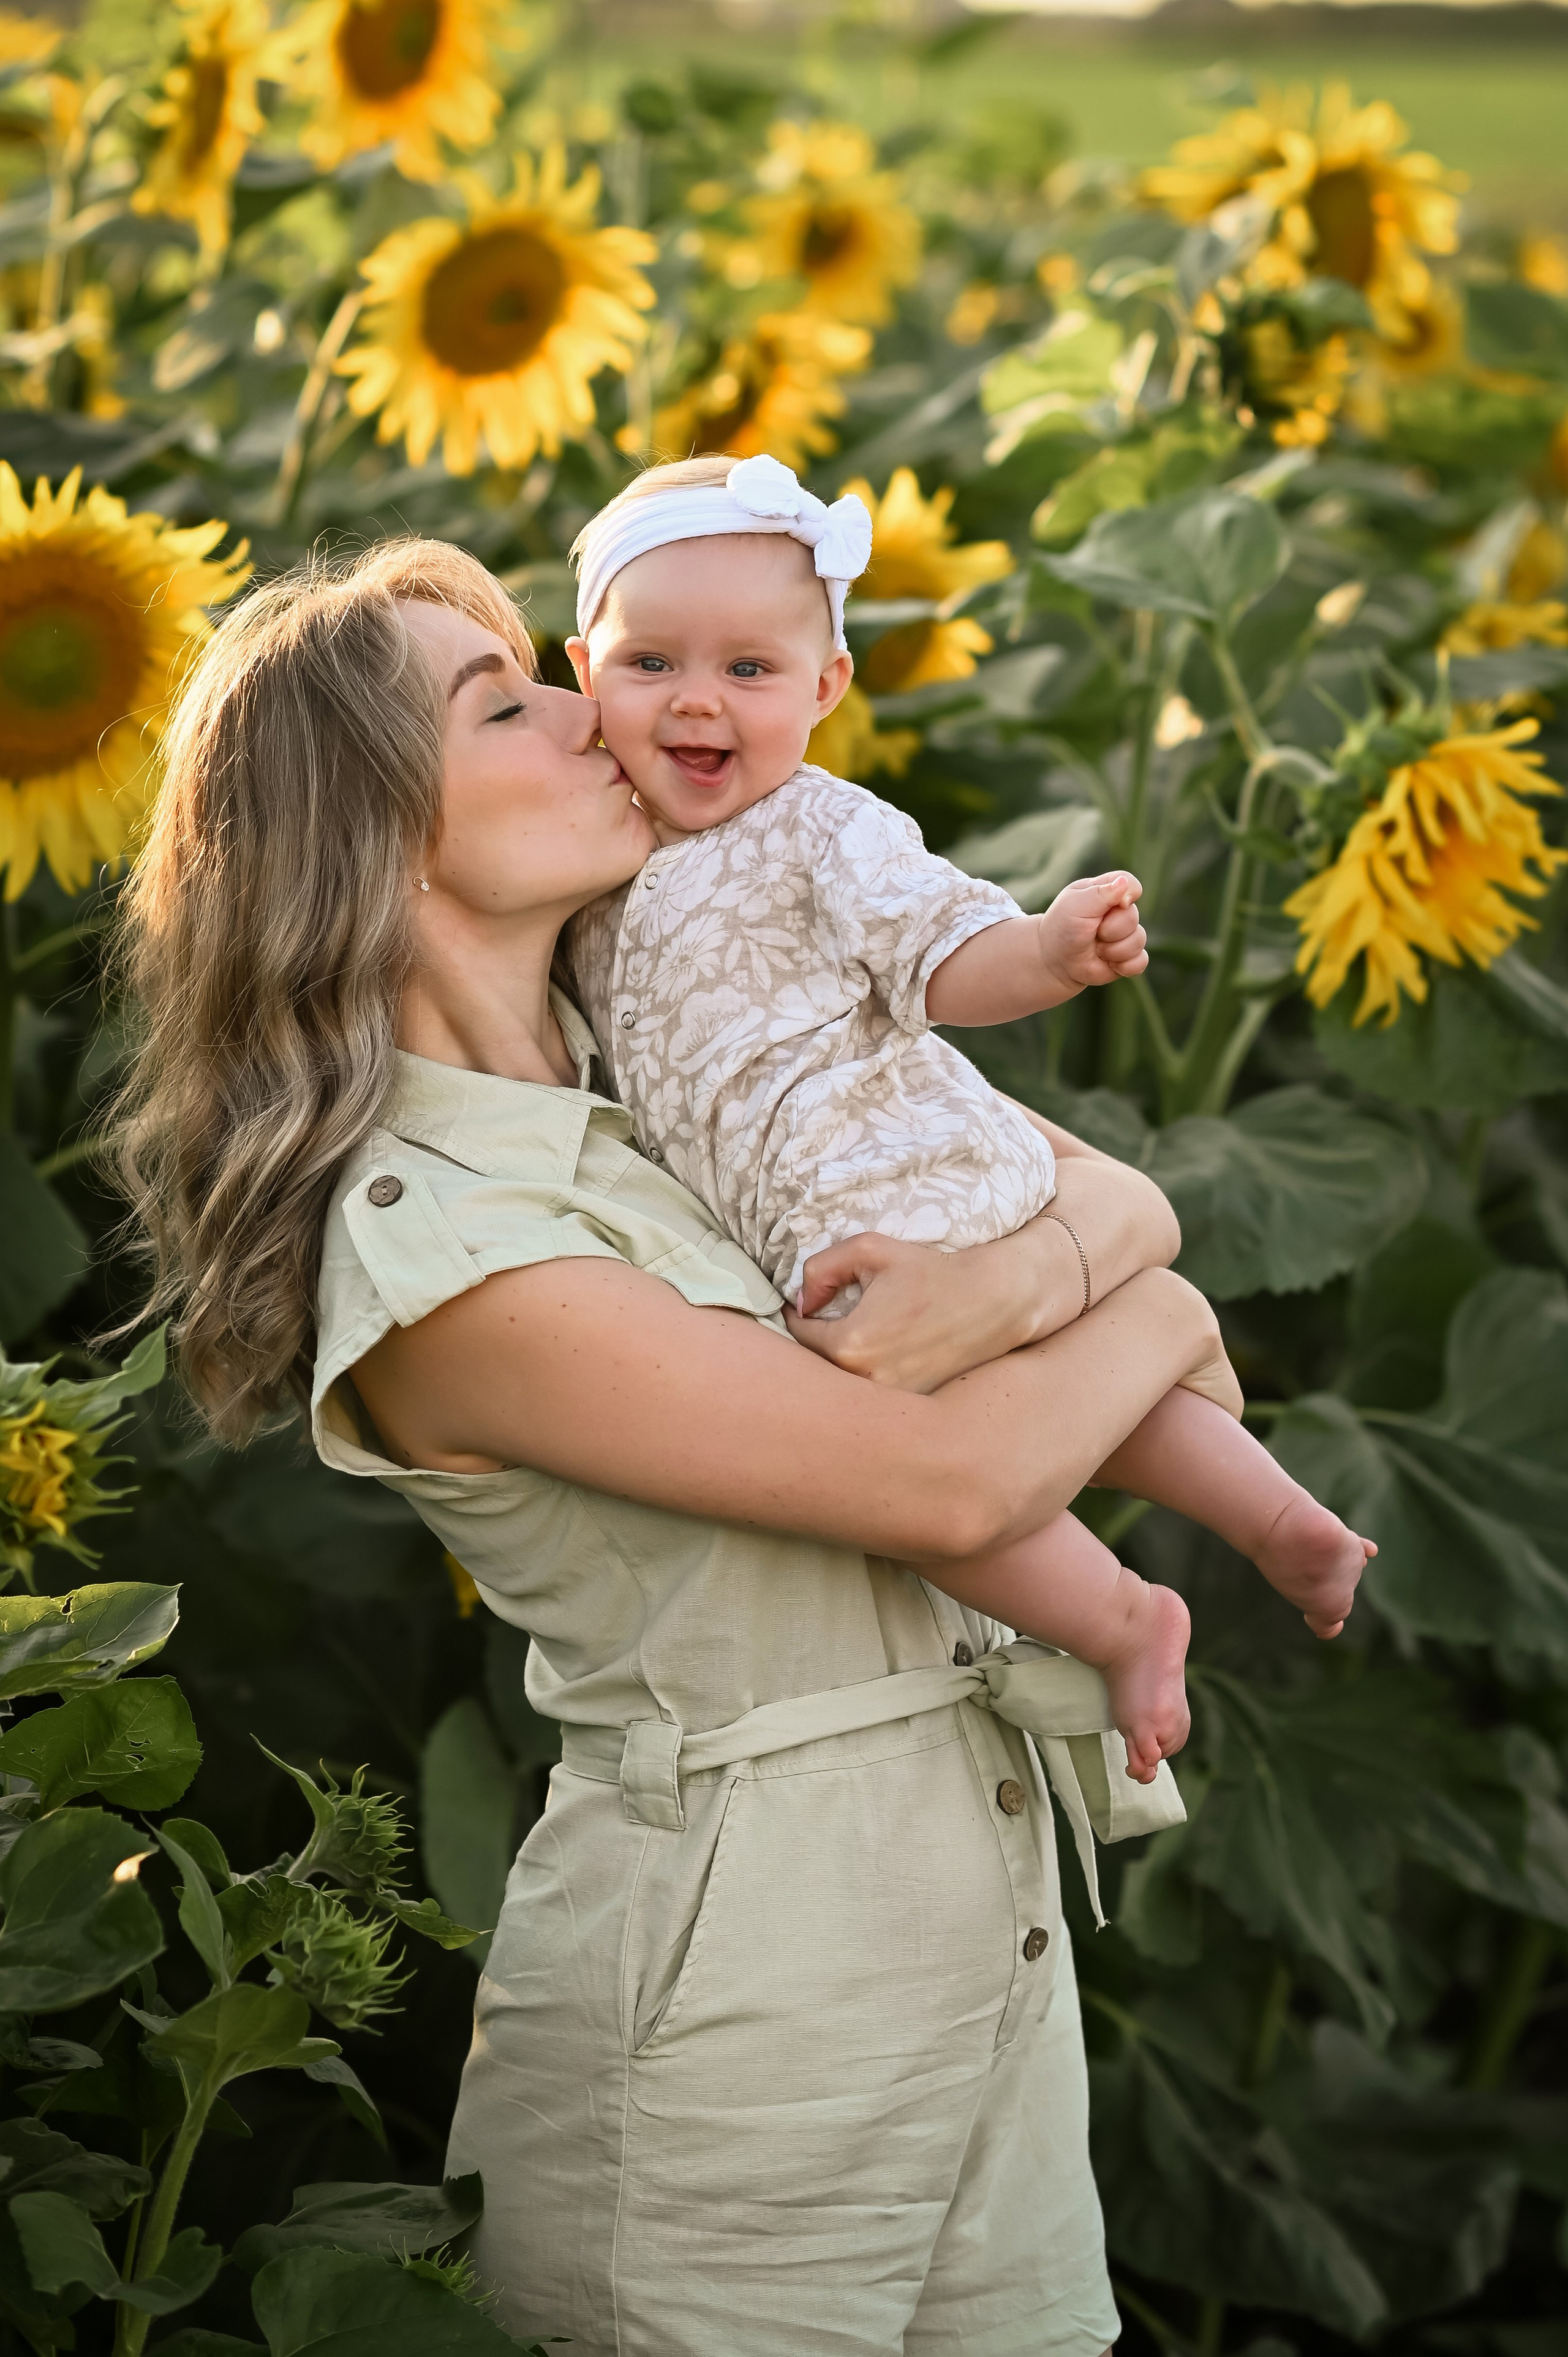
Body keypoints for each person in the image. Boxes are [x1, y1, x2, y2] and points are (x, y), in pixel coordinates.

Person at [116, 535, 1253, 2356]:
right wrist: (1145, 1317)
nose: (596, 715)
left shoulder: (672, 1074)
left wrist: (1045, 1285)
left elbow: (1104, 1194)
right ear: (367, 832)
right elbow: (962, 1482)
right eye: (507, 700)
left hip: (972, 1945)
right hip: (729, 2025)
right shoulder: (446, 1253)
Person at [562, 453, 1373, 1781]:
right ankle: (1283, 1521)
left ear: (826, 691)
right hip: (825, 1202)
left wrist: (1045, 953)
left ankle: (1122, 1615)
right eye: (650, 663)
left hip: (896, 1176)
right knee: (1047, 1408)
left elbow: (938, 952)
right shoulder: (599, 854)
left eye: (749, 673)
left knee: (895, 1465)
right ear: (581, 666)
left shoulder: (821, 830)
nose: (698, 700)